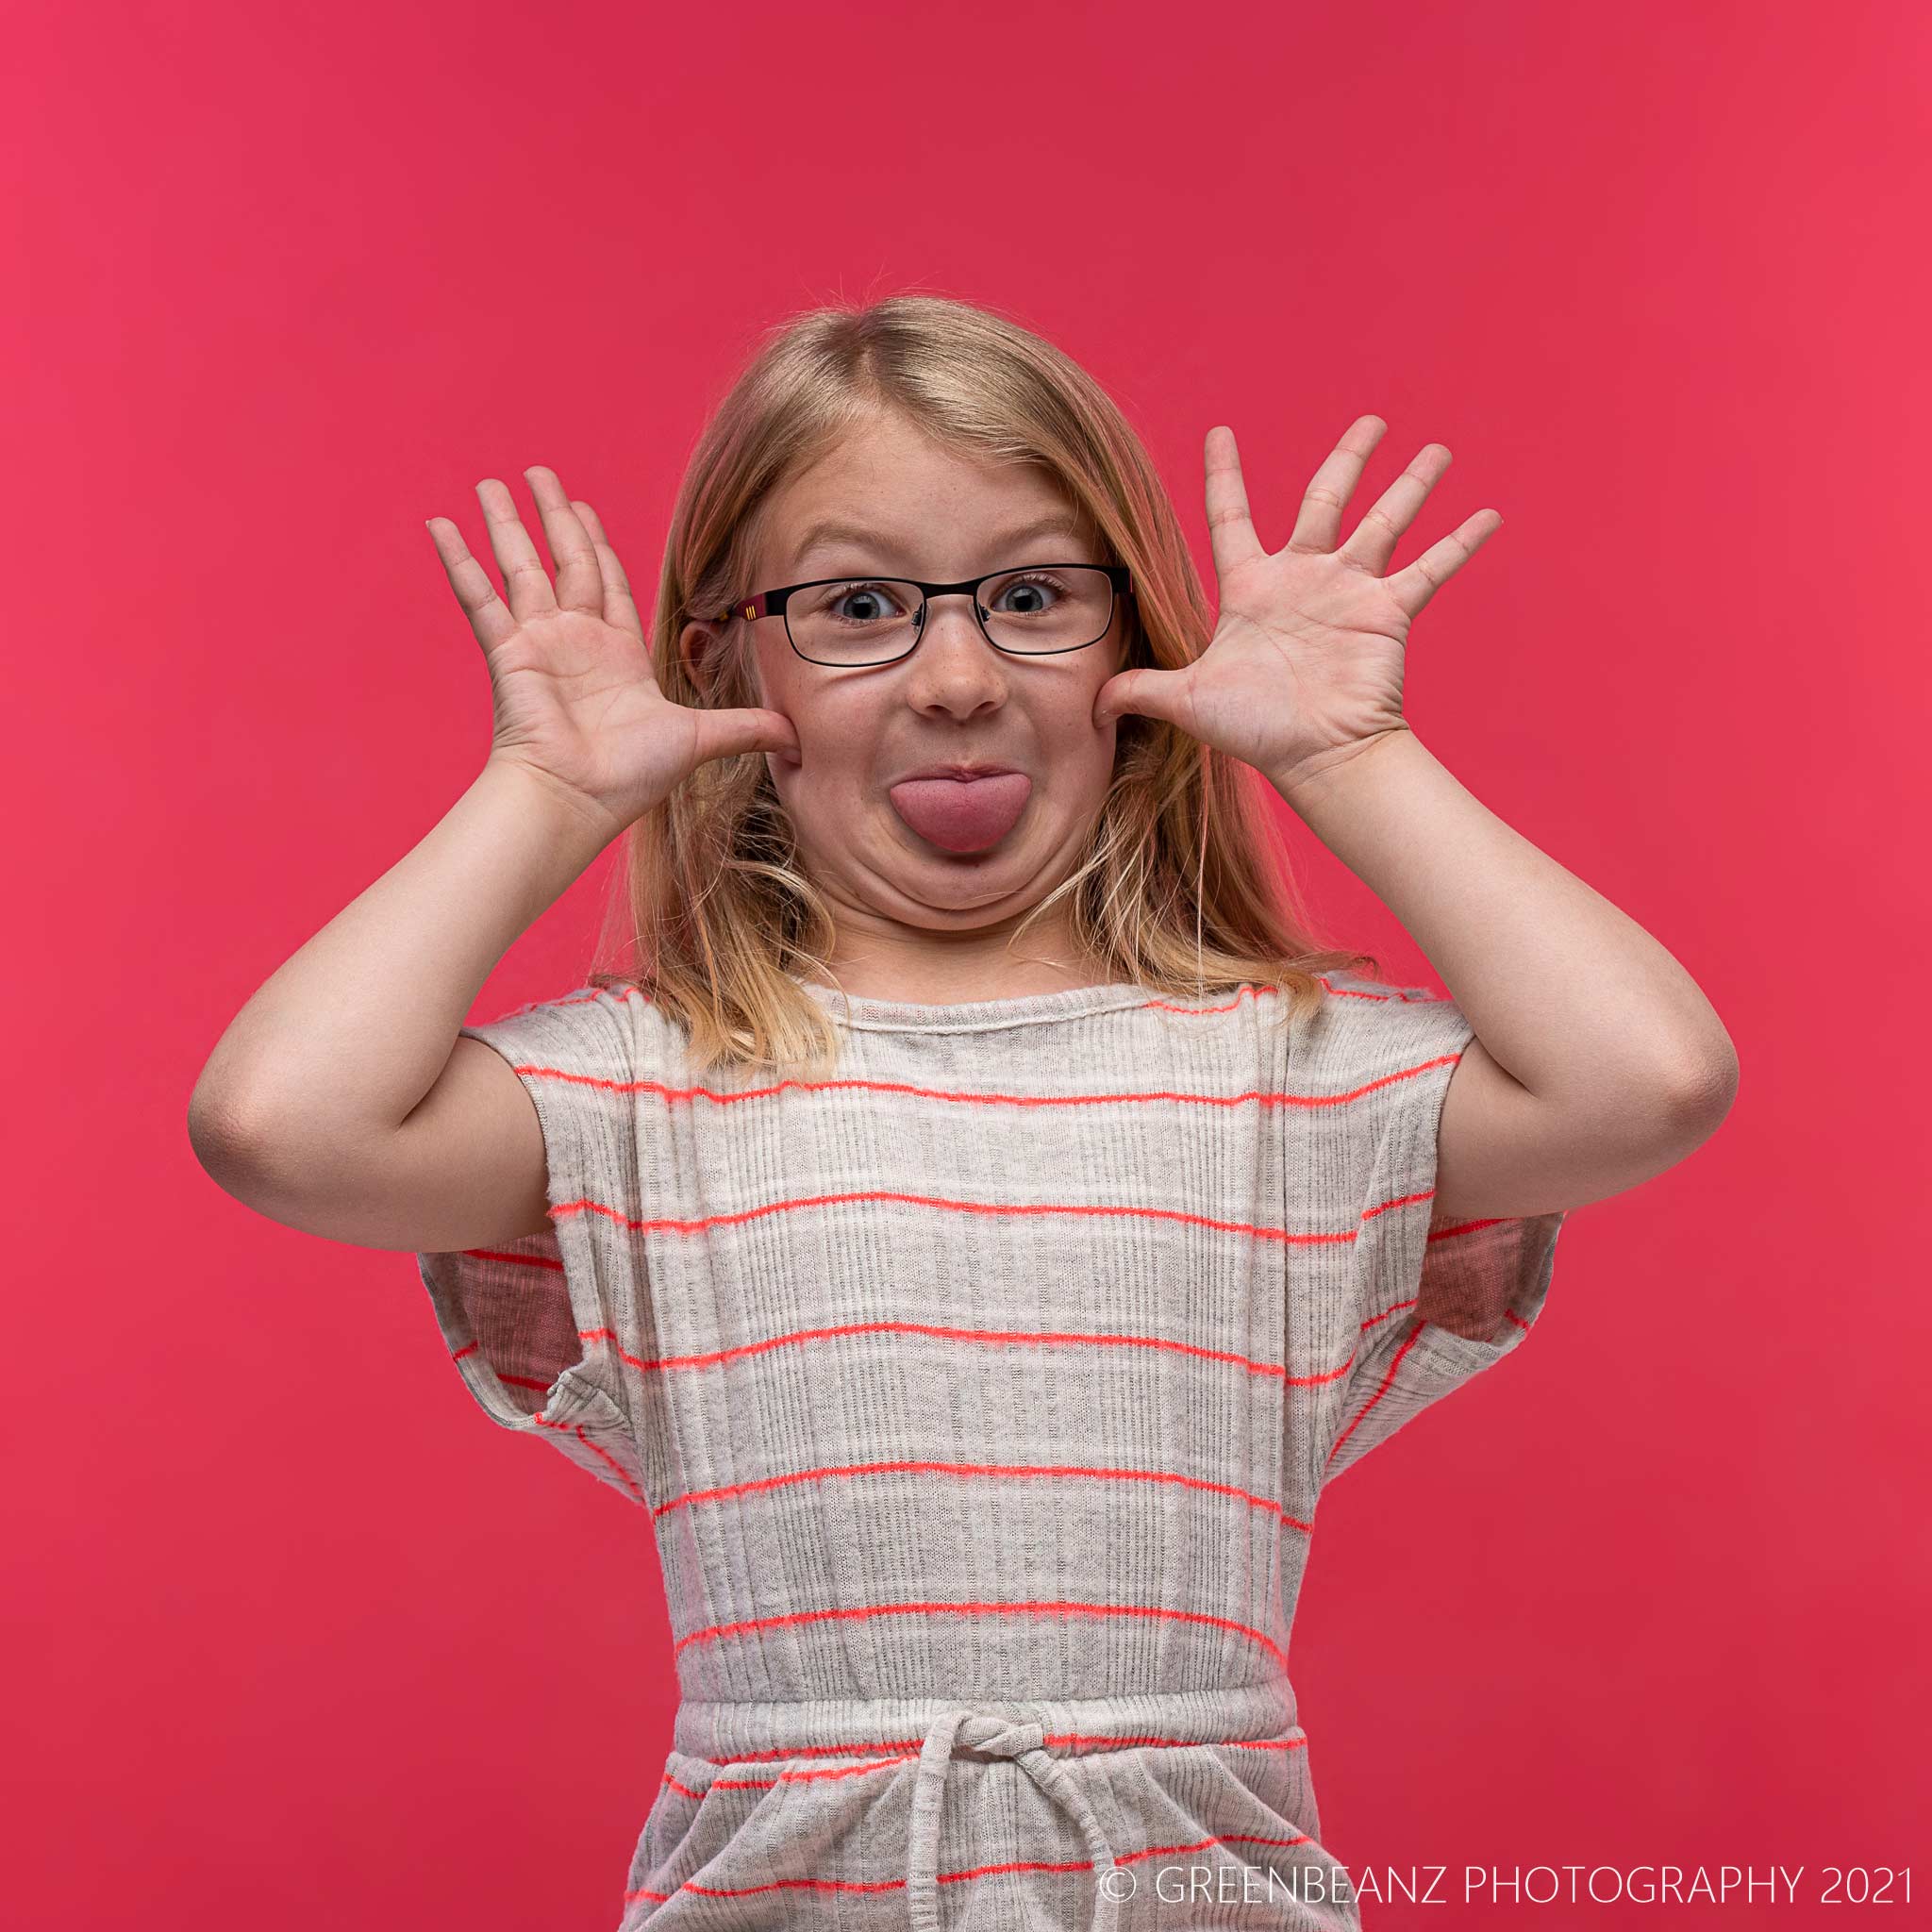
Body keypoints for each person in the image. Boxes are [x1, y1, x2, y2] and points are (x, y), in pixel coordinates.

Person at [188, 293, 1739, 1930]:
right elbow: (286, 1126)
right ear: (726, 657)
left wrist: (1350, 753)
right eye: (857, 603)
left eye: (1029, 597)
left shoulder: (1289, 1074)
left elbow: (1648, 1080)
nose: (954, 676)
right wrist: (548, 792)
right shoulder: (642, 1087)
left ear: (1135, 642)